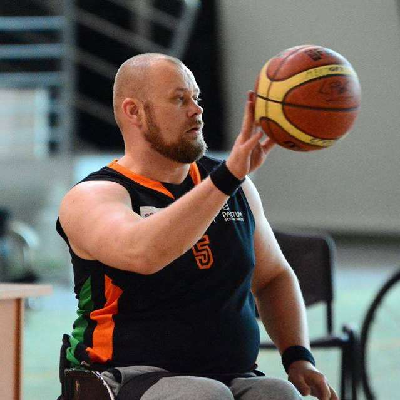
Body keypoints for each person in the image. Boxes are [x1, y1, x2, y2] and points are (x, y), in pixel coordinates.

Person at [57, 53, 338, 400]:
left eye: (196, 97)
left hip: (229, 375)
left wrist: (298, 356)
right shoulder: (93, 195)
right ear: (134, 112)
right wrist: (229, 176)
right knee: (203, 396)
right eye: (180, 99)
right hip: (121, 377)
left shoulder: (232, 185)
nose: (197, 109)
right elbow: (143, 252)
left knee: (278, 394)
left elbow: (273, 278)